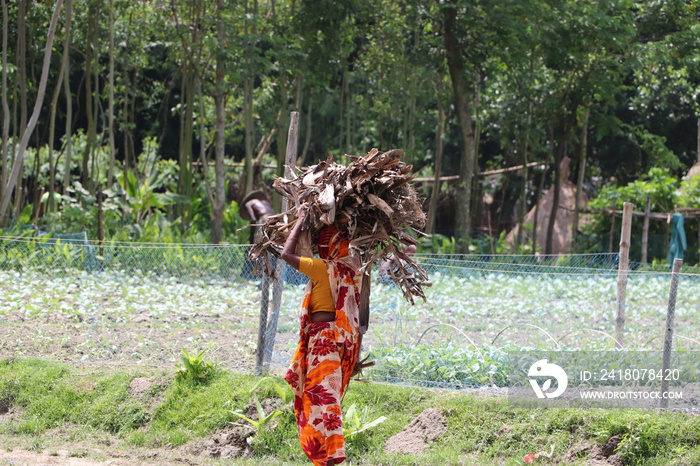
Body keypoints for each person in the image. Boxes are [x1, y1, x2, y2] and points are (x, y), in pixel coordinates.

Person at [280, 203, 363, 466]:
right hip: (340, 343)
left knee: (323, 401)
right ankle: (330, 456)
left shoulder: (321, 267)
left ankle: (332, 457)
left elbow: (285, 254)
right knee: (327, 400)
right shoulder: (353, 271)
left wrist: (300, 219)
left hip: (323, 343)